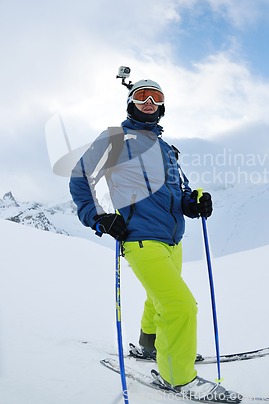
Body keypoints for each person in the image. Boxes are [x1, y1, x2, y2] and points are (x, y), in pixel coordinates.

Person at [69, 79, 238, 402]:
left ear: (162, 105)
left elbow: (180, 192)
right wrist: (98, 216)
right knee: (181, 307)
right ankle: (177, 377)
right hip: (140, 239)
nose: (148, 101)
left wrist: (193, 202)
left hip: (173, 241)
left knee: (156, 299)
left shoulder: (166, 148)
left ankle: (150, 346)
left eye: (155, 97)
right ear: (130, 103)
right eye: (141, 96)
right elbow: (80, 178)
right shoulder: (115, 140)